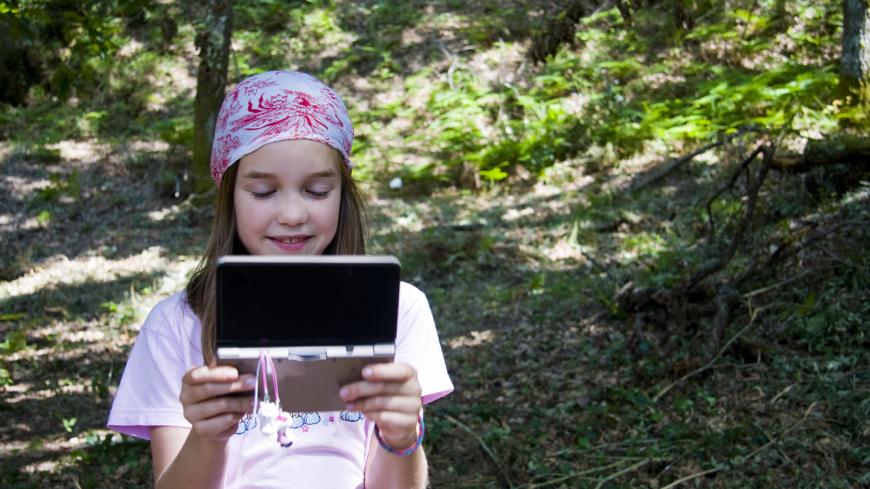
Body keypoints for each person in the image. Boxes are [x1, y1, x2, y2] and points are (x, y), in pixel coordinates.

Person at [107, 71, 454, 489]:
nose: (292, 214)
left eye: (317, 190)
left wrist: (401, 436)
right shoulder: (176, 326)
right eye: (263, 191)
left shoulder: (398, 310)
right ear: (229, 194)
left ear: (344, 193)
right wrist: (208, 437)